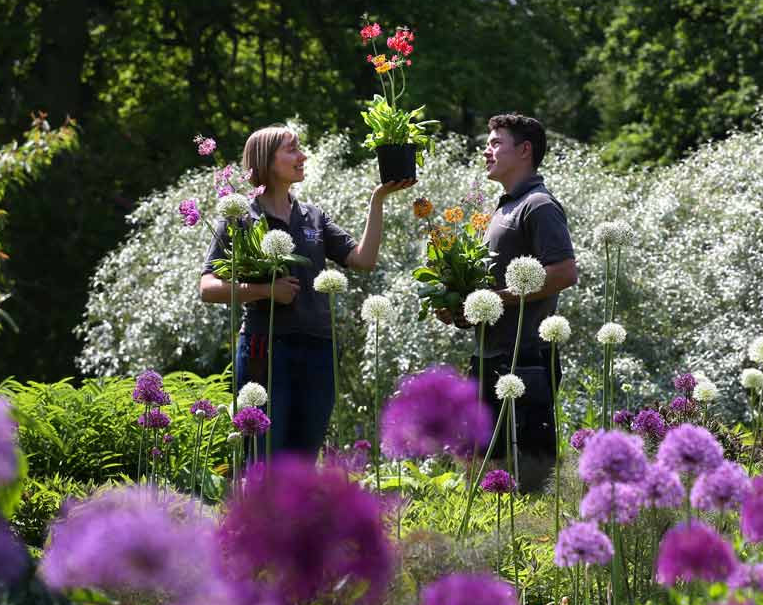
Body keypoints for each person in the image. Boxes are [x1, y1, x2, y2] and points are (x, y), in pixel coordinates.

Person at [200, 125, 414, 456]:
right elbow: (208, 287)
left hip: (319, 350)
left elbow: (363, 259)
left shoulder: (312, 216)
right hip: (266, 351)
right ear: (266, 160)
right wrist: (264, 290)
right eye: (292, 149)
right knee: (263, 455)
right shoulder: (240, 217)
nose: (303, 156)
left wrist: (378, 200)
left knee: (303, 459)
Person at [439, 114, 577, 492]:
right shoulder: (503, 209)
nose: (487, 150)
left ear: (525, 150)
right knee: (484, 477)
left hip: (526, 361)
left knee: (531, 481)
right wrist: (466, 310)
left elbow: (564, 272)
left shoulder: (538, 205)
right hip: (489, 357)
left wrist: (496, 301)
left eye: (496, 142)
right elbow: (497, 291)